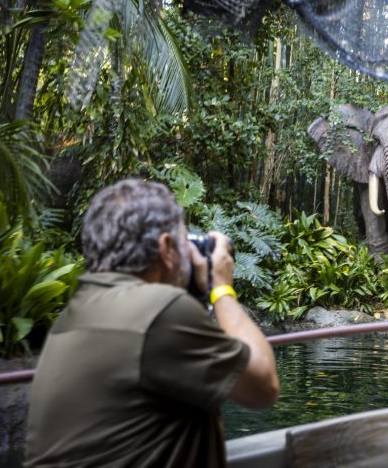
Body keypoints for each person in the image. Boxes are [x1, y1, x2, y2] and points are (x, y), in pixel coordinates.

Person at [25, 179, 280, 467]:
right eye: (184, 242)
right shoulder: (161, 310)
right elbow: (263, 387)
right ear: (166, 247)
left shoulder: (72, 316)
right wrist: (220, 288)